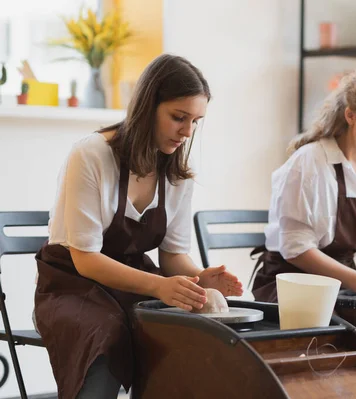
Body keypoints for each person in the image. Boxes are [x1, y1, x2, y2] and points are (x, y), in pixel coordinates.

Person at [34, 54, 243, 399]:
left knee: (181, 330)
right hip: (70, 283)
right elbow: (85, 259)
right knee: (108, 332)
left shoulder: (176, 174)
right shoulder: (90, 155)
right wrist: (160, 287)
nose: (187, 132)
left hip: (133, 282)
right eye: (178, 117)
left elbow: (173, 256)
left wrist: (199, 279)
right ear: (148, 106)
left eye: (195, 121)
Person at [251, 68, 356, 303]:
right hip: (291, 285)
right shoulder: (310, 162)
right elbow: (296, 249)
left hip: (344, 287)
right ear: (351, 115)